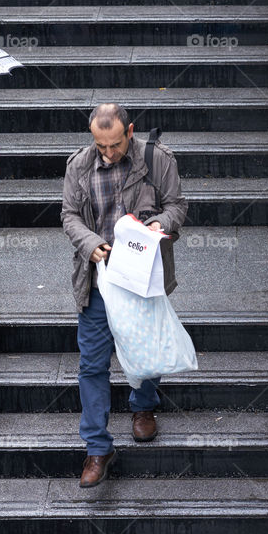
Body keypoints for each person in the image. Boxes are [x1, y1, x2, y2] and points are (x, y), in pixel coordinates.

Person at [61, 103, 188, 487]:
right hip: (98, 283)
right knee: (92, 365)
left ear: (129, 131)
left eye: (114, 145)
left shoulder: (157, 159)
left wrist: (156, 226)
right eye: (100, 146)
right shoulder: (79, 165)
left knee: (145, 352)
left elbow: (177, 207)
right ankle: (97, 449)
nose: (108, 153)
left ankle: (144, 407)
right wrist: (91, 243)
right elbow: (69, 215)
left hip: (143, 278)